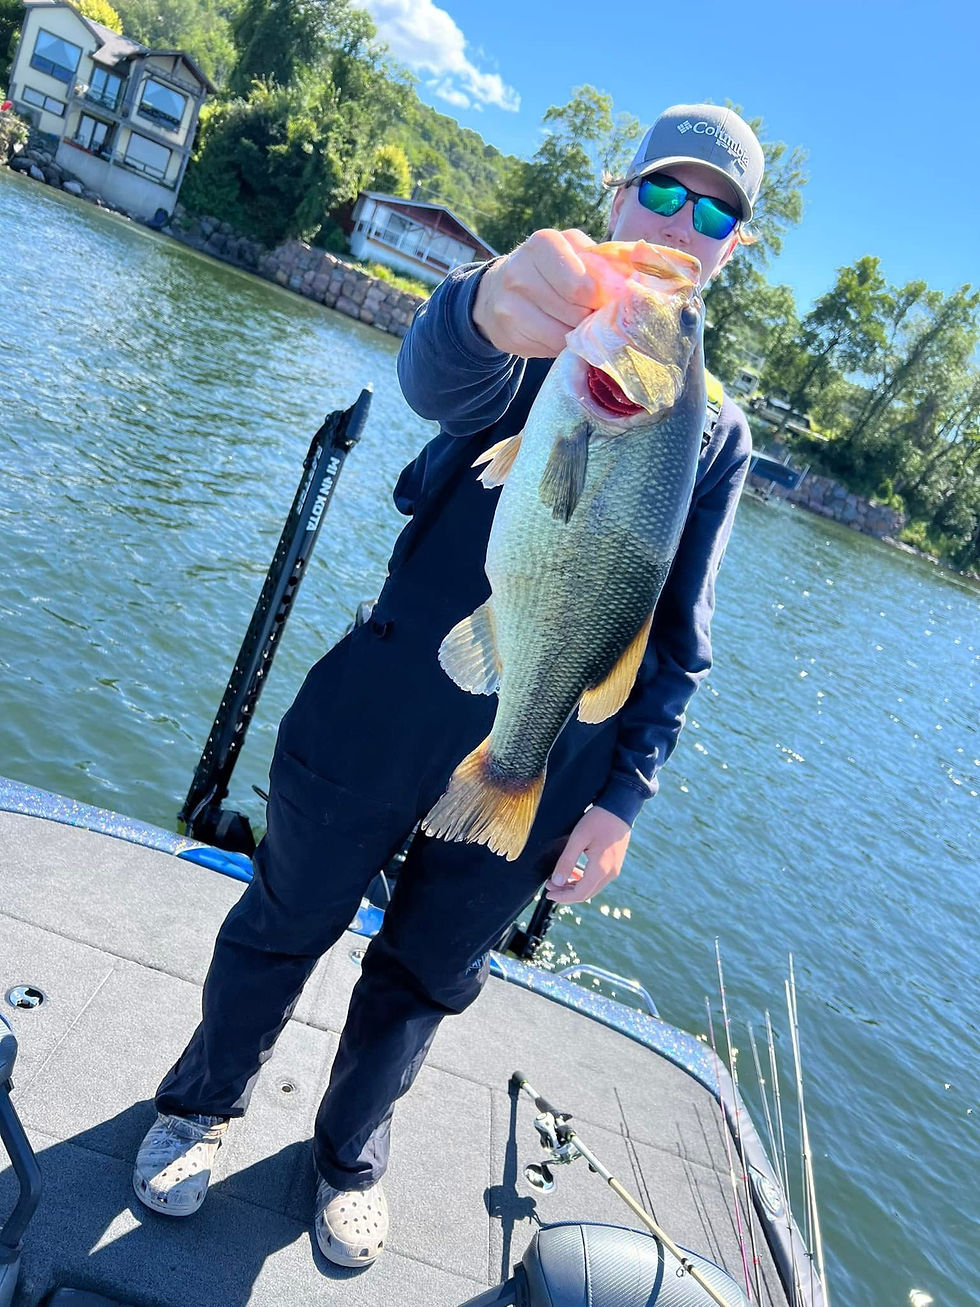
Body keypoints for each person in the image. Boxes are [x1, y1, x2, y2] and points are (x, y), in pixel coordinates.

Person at [132, 103, 765, 1268]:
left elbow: (676, 639)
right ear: (619, 198)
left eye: (716, 208)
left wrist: (621, 799)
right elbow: (439, 374)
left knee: (427, 975)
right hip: (386, 695)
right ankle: (199, 1103)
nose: (685, 219)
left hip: (543, 746)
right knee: (285, 914)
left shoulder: (710, 430)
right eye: (664, 192)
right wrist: (479, 306)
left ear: (732, 246)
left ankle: (344, 1153)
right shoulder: (538, 316)